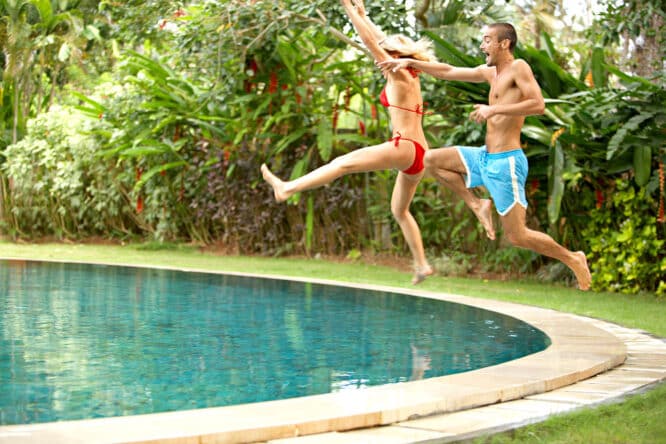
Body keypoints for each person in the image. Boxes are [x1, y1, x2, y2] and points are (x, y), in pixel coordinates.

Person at [378, 23, 591, 290]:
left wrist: (493, 110)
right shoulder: (491, 73)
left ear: (504, 44)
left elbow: (538, 104)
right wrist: (409, 61)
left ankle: (573, 258)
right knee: (430, 160)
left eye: (488, 40)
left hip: (506, 163)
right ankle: (477, 204)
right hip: (484, 157)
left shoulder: (519, 67)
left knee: (518, 236)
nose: (482, 46)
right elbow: (448, 71)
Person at [261, 0, 436, 284]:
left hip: (404, 147)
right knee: (399, 210)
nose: (380, 56)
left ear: (393, 55)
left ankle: (287, 187)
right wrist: (363, 15)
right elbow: (378, 39)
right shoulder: (410, 74)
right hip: (418, 153)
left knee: (341, 163)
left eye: (386, 52)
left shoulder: (398, 72)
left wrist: (348, 9)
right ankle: (421, 264)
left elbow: (371, 43)